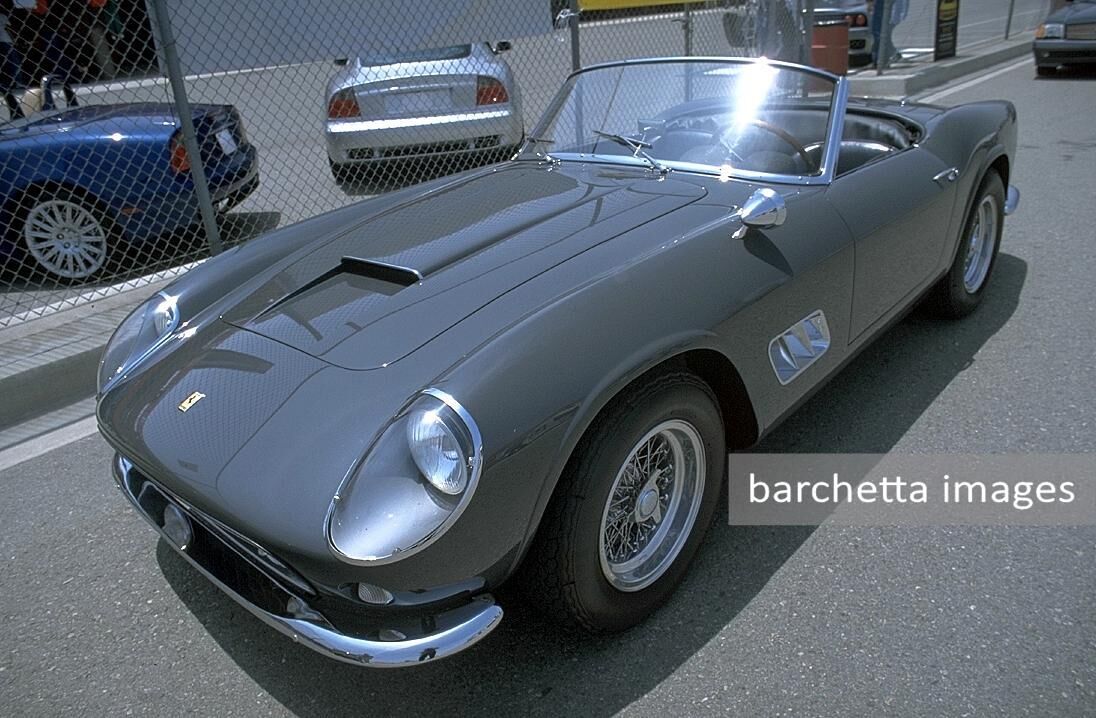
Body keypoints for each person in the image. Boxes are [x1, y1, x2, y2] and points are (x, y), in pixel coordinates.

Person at [870, 0, 908, 68]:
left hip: (887, 11)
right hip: (885, 10)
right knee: (880, 34)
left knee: (881, 33)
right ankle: (885, 57)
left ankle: (882, 59)